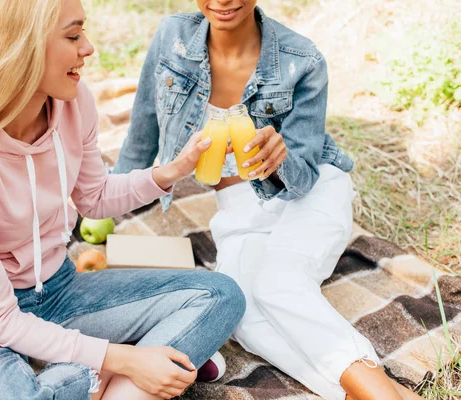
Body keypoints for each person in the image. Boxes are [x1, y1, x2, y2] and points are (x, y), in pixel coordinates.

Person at [0, 1, 246, 399]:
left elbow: (94, 198)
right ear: (17, 47)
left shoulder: (75, 104)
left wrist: (172, 171)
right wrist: (123, 360)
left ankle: (104, 378)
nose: (89, 48)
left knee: (220, 295)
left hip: (58, 290)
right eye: (73, 35)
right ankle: (111, 380)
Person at [113, 1, 422, 399]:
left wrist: (281, 159)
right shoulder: (172, 39)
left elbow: (305, 176)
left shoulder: (302, 58)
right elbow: (142, 131)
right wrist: (108, 200)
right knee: (244, 317)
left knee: (279, 285)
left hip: (309, 192)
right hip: (238, 209)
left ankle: (377, 392)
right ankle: (371, 391)